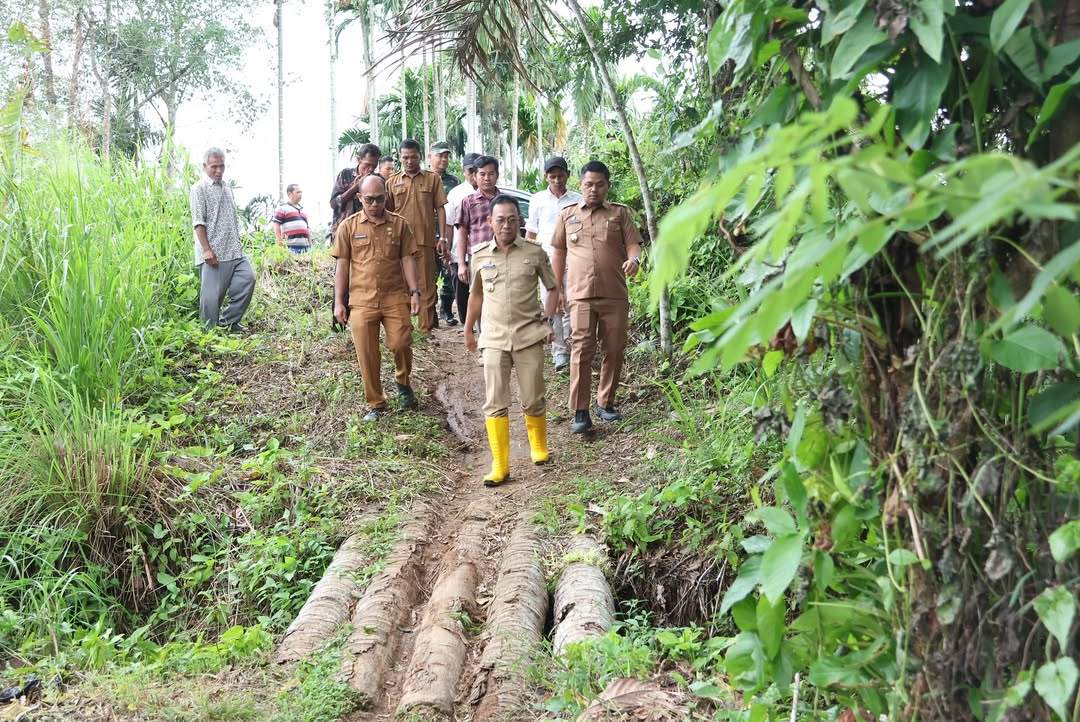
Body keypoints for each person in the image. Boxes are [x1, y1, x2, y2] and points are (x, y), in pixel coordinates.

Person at [464, 195, 559, 486]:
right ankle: (500, 465)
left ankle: (539, 447)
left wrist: (548, 319)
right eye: (500, 219)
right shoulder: (479, 255)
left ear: (520, 221)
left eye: (512, 219)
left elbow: (553, 288)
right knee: (494, 401)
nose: (506, 225)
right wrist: (469, 329)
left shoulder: (535, 252)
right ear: (490, 222)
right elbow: (476, 295)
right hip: (493, 338)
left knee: (532, 396)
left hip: (529, 335)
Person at [552, 160, 642, 434]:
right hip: (579, 295)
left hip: (614, 293)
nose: (593, 189)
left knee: (614, 348)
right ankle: (580, 410)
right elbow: (558, 251)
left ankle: (606, 402)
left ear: (607, 186)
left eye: (599, 185)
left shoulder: (619, 214)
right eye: (588, 184)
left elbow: (633, 245)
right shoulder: (567, 215)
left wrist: (634, 261)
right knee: (581, 349)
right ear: (580, 185)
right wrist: (556, 289)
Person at [332, 175, 422, 422]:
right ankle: (376, 402)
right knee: (367, 353)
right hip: (361, 300)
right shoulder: (348, 227)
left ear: (386, 197)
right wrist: (339, 302)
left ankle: (403, 383)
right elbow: (342, 266)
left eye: (380, 199)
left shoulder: (400, 225)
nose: (375, 204)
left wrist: (414, 292)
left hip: (395, 296)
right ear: (360, 198)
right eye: (369, 199)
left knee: (401, 342)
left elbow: (407, 259)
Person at [526, 157, 583, 372]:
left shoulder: (578, 199)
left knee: (572, 304)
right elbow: (531, 231)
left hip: (574, 260)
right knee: (552, 305)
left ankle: (571, 347)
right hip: (545, 261)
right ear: (546, 177)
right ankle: (559, 353)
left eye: (560, 176)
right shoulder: (537, 200)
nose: (557, 180)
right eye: (552, 177)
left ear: (567, 175)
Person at [190, 147, 255, 332]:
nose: (218, 171)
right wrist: (206, 250)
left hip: (234, 250)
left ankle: (228, 323)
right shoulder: (198, 189)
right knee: (211, 299)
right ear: (204, 166)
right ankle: (208, 335)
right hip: (213, 252)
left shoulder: (226, 187)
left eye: (222, 166)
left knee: (248, 279)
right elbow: (198, 222)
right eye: (214, 167)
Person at [388, 139, 448, 333]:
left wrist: (443, 238)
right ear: (400, 157)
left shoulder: (432, 179)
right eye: (405, 157)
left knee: (426, 288)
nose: (409, 161)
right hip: (399, 245)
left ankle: (425, 331)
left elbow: (440, 208)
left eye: (413, 157)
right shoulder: (392, 182)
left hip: (425, 241)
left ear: (420, 156)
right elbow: (387, 213)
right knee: (401, 287)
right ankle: (405, 330)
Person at [454, 156, 502, 330]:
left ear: (497, 175)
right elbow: (462, 234)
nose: (487, 178)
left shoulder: (505, 201)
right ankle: (485, 342)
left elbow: (516, 229)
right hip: (478, 259)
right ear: (475, 176)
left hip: (503, 257)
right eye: (482, 174)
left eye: (491, 174)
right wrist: (461, 264)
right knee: (479, 298)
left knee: (501, 298)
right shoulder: (468, 202)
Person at [446, 152, 481, 325]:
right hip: (459, 252)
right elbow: (449, 223)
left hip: (483, 253)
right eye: (470, 170)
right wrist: (447, 248)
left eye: (477, 170)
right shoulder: (456, 194)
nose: (474, 175)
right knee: (461, 290)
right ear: (464, 171)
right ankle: (467, 325)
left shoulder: (493, 192)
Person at [430, 141, 460, 326]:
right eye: (439, 155)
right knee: (429, 275)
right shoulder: (423, 178)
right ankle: (430, 313)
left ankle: (446, 311)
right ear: (430, 157)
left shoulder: (453, 182)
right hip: (426, 235)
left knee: (449, 272)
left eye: (446, 156)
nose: (443, 159)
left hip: (446, 233)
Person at [330, 143, 381, 234]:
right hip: (344, 231)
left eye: (374, 166)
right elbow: (334, 204)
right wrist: (356, 187)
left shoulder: (378, 180)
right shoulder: (345, 175)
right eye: (367, 165)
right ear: (358, 160)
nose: (370, 169)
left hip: (370, 232)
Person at [271, 183, 312, 253]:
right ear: (290, 194)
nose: (300, 194)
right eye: (298, 192)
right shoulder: (283, 208)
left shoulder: (303, 210)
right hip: (290, 249)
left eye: (301, 192)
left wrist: (310, 243)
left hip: (305, 249)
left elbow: (307, 228)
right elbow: (276, 224)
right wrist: (280, 242)